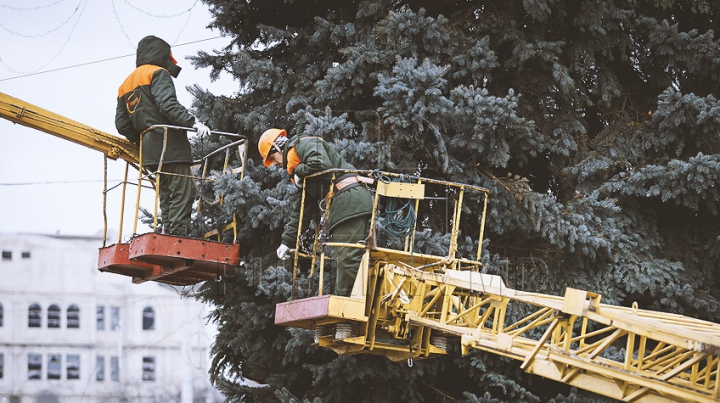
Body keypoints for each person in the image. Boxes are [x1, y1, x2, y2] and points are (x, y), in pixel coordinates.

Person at [258, 128, 374, 297]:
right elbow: (301, 211)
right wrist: (286, 241)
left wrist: (298, 172)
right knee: (344, 263)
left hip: (348, 199)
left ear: (278, 147)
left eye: (271, 158)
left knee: (347, 258)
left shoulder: (302, 144)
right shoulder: (301, 171)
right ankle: (346, 318)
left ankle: (383, 296)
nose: (274, 164)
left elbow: (321, 162)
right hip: (347, 203)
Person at [115, 35, 210, 236]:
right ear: (161, 54)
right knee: (182, 193)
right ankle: (176, 239)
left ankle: (167, 232)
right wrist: (192, 122)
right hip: (172, 148)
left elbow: (122, 124)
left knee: (166, 195)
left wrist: (144, 137)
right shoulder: (158, 73)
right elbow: (167, 105)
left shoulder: (125, 84)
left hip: (150, 154)